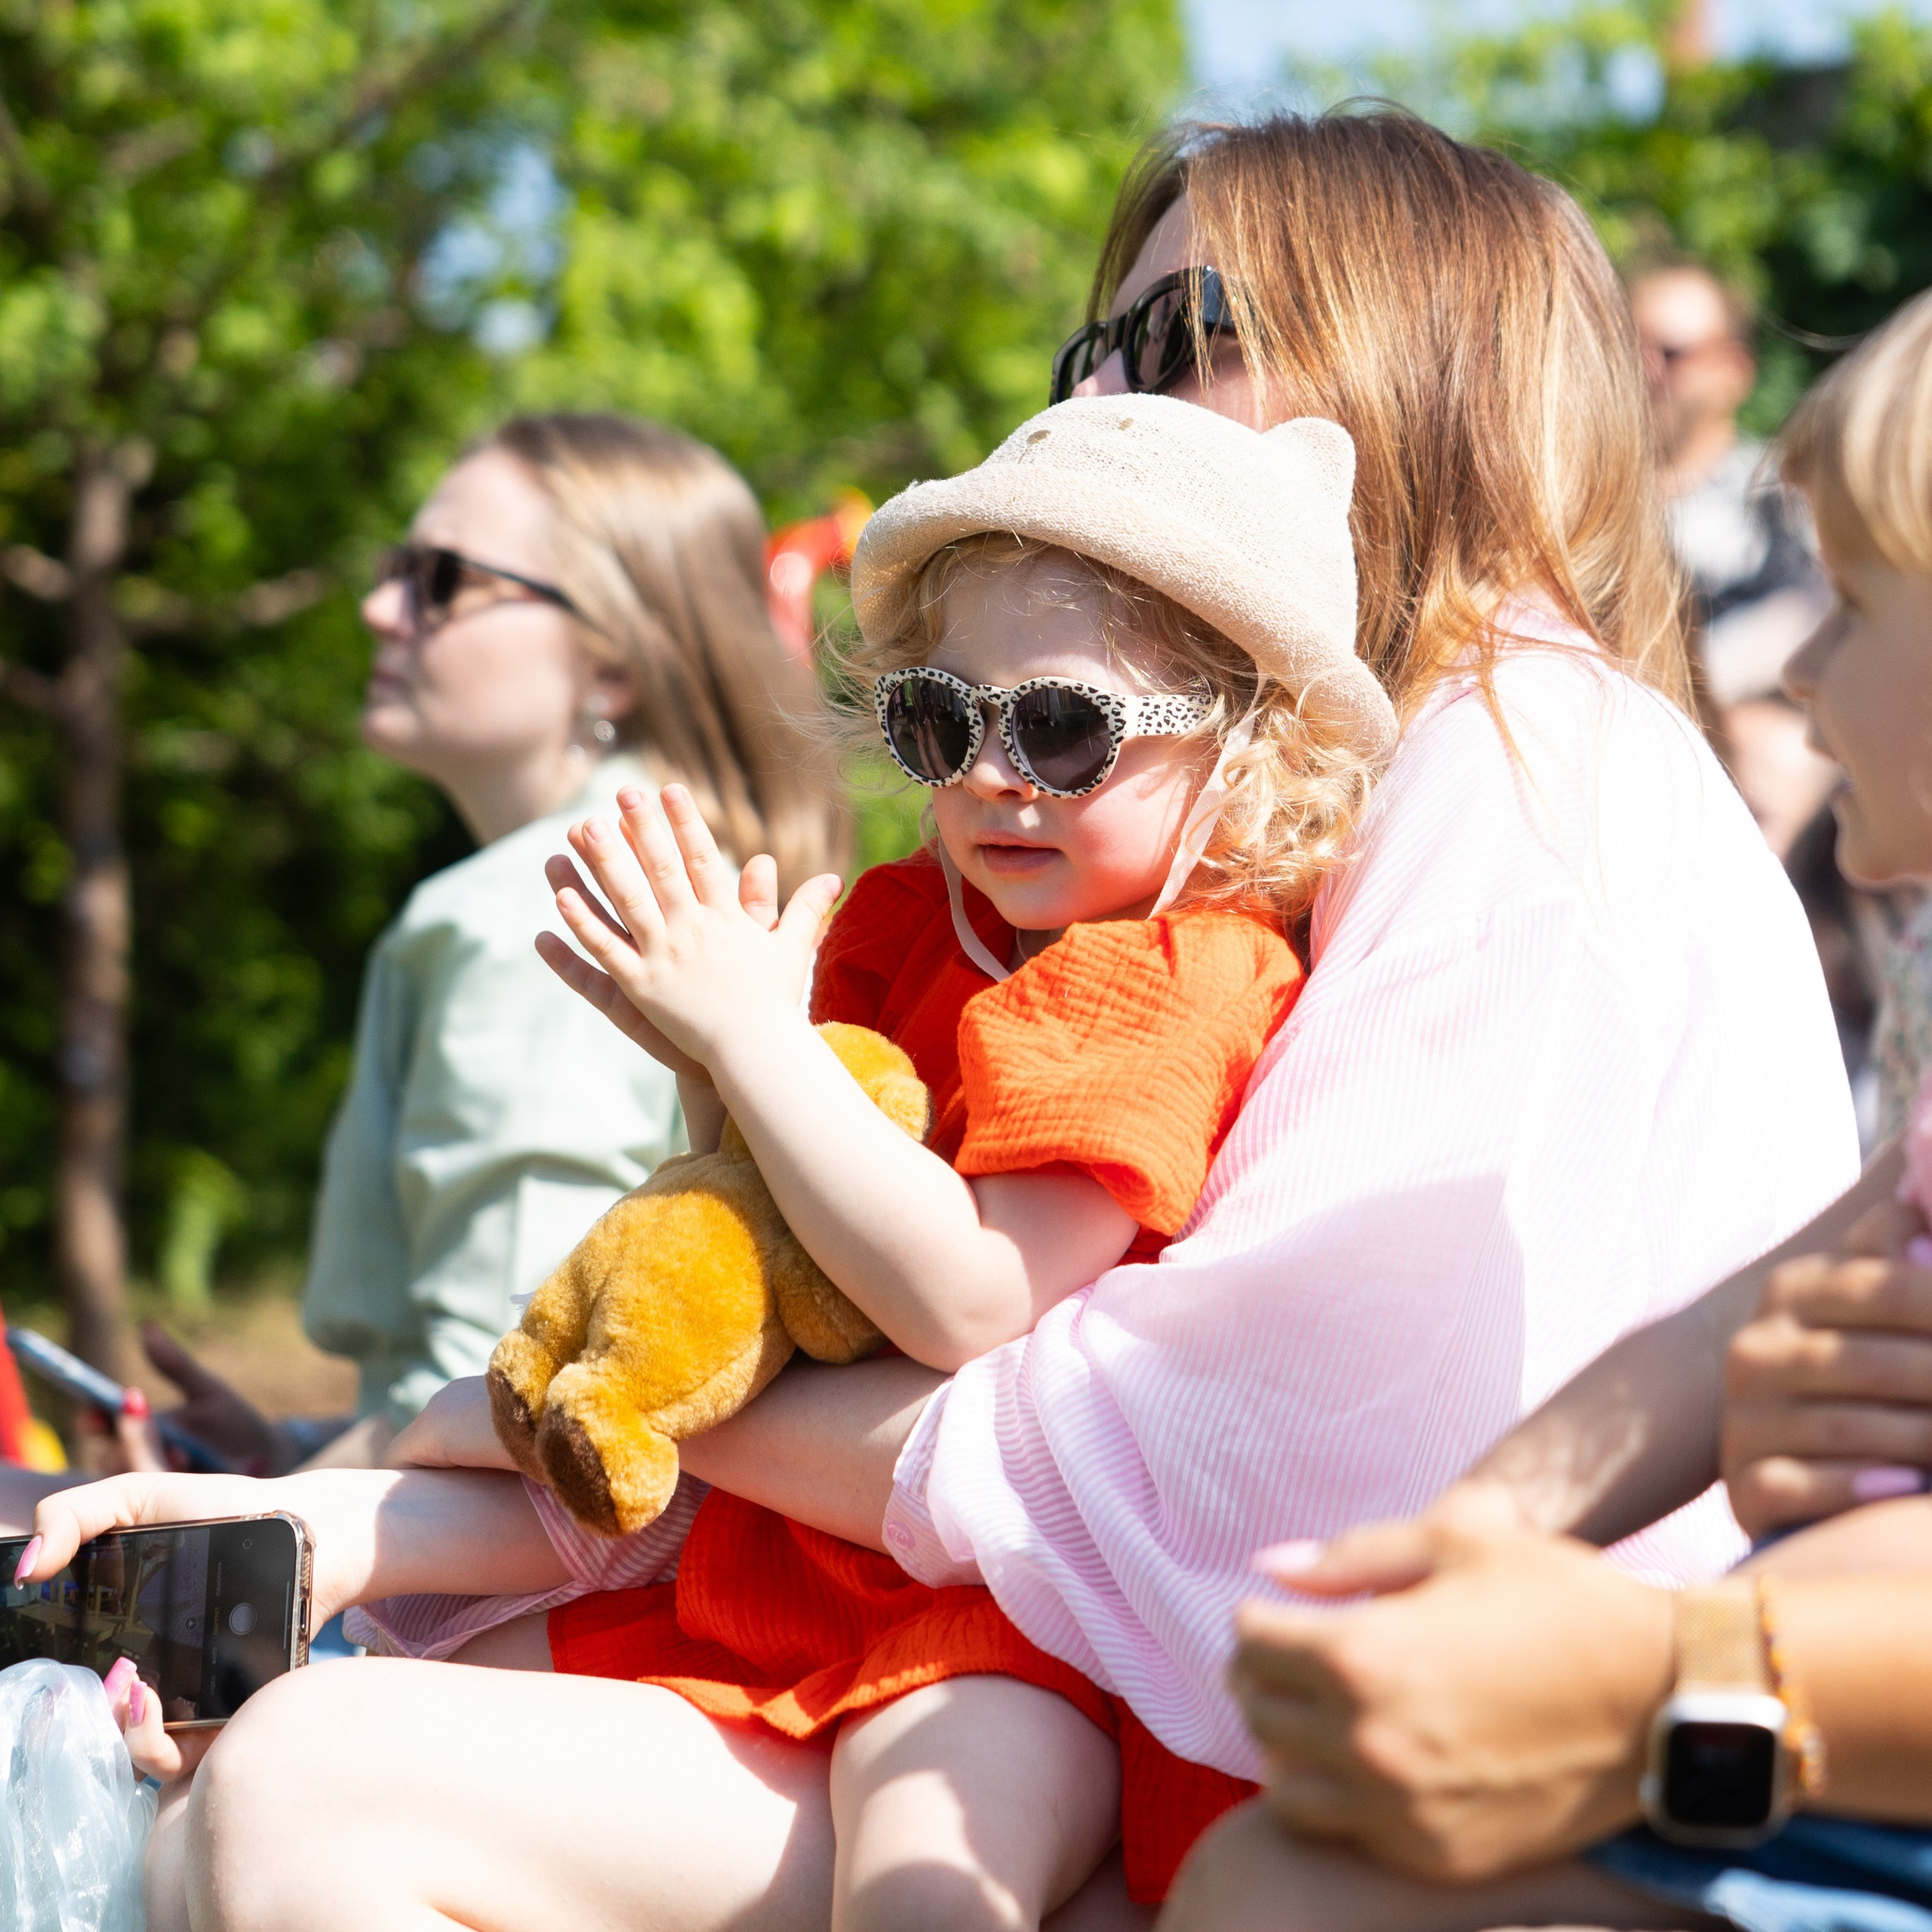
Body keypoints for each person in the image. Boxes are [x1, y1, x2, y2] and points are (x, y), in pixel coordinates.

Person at [16, 108, 1856, 1932]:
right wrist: (358, 1507)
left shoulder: (1530, 774)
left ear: (1420, 360)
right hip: (1119, 1707)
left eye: (1188, 331)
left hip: (1323, 1790)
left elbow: (1196, 1453)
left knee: (305, 1795)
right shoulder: (1160, 854)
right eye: (1100, 346)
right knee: (267, 1792)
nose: (1115, 398)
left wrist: (638, 1374)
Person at [520, 392, 1386, 1930]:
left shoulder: (1171, 965)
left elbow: (972, 1292)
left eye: (1062, 726)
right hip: (793, 1556)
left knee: (927, 1882)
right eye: (938, 719)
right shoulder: (906, 921)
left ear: (1244, 750)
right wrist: (707, 1064)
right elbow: (764, 1248)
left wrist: (751, 1043)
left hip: (1007, 1619)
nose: (994, 775)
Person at [1164, 284, 1932, 1932]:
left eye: (1855, 608)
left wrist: (1650, 1680)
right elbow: (1740, 1322)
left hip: (1839, 1763)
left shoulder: (1532, 752)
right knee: (1258, 1876)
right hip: (1798, 1718)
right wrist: (1460, 1541)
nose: (1798, 669)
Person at [156, 414, 850, 1474]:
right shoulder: (694, 880)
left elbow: (499, 1386)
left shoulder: (528, 911)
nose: (379, 608)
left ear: (611, 664)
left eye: (440, 580)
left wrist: (225, 1527)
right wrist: (277, 1452)